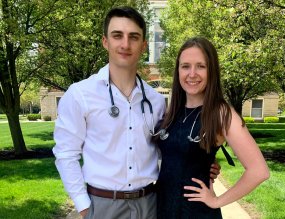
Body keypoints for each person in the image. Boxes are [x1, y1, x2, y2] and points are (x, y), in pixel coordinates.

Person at [53, 7, 219, 219]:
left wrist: (201, 161)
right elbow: (66, 153)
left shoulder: (157, 101)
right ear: (105, 41)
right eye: (117, 36)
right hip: (102, 206)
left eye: (133, 37)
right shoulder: (80, 95)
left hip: (150, 204)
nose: (125, 44)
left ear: (143, 46)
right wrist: (84, 206)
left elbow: (168, 148)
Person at [155, 37, 270, 218]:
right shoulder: (173, 111)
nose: (192, 73)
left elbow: (259, 171)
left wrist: (217, 201)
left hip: (196, 213)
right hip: (163, 209)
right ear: (178, 71)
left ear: (212, 71)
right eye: (185, 66)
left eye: (201, 66)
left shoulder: (221, 113)